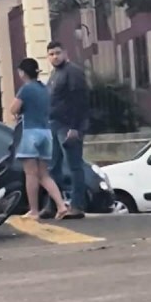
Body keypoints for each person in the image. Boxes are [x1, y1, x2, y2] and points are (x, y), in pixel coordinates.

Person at [10, 58, 69, 220]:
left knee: (30, 173)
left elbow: (13, 109)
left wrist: (20, 110)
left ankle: (34, 210)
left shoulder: (26, 89)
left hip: (31, 133)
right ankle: (61, 205)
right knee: (44, 174)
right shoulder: (45, 89)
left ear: (22, 72)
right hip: (46, 133)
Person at [46, 41, 90, 219]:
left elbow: (80, 101)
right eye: (51, 54)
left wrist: (75, 127)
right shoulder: (55, 73)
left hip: (68, 126)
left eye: (57, 53)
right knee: (53, 166)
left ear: (65, 52)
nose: (55, 57)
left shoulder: (73, 72)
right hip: (54, 124)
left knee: (74, 166)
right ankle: (53, 205)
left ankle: (77, 206)